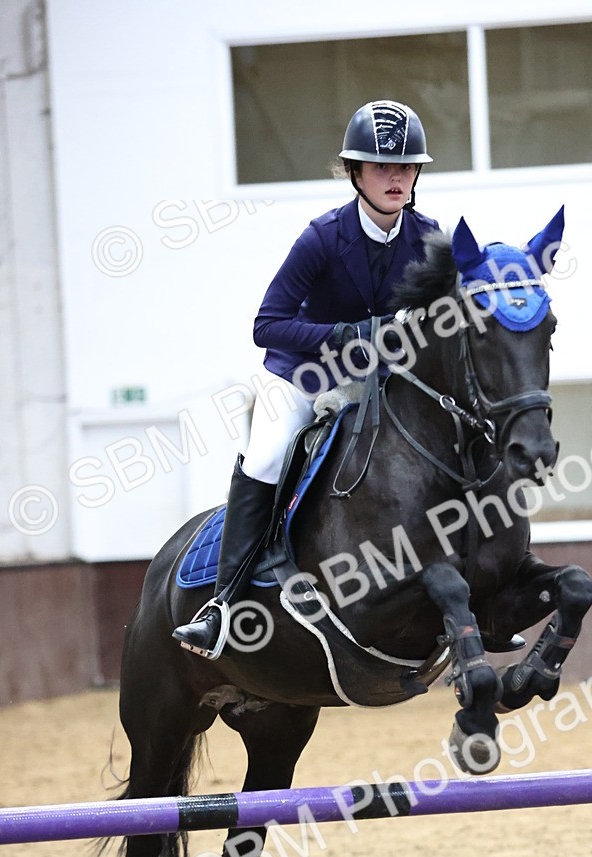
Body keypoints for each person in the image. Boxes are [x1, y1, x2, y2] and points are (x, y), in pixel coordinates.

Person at [174, 99, 440, 659]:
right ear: (355, 174)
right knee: (268, 454)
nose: (397, 178)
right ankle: (222, 606)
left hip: (381, 385)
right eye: (382, 167)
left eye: (407, 167)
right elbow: (266, 325)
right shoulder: (322, 238)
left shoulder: (428, 237)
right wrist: (340, 335)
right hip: (306, 379)